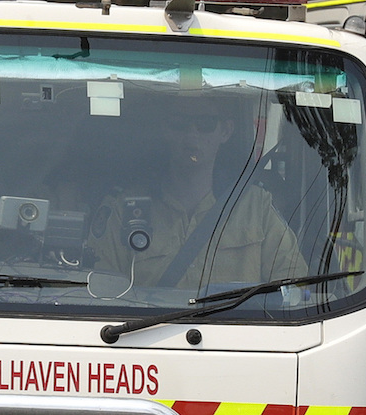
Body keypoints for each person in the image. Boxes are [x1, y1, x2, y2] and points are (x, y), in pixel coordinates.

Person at [86, 99, 307, 291]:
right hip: (145, 336)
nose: (192, 135)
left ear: (226, 131)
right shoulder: (125, 208)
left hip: (238, 335)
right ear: (165, 129)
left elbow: (294, 287)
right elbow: (102, 292)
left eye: (205, 124)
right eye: (179, 124)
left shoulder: (256, 207)